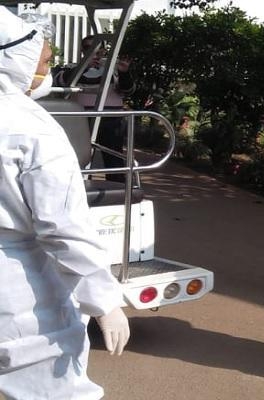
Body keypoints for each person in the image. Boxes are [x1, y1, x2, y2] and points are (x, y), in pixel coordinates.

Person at [0, 7, 129, 399]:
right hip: (20, 290)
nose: (45, 72)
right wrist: (105, 301)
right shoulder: (31, 128)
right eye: (41, 63)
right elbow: (62, 229)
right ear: (14, 59)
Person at [55, 34, 135, 182]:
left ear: (104, 51)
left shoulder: (114, 68)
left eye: (98, 49)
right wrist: (84, 66)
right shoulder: (72, 68)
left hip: (111, 119)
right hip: (82, 119)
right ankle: (80, 187)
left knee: (114, 158)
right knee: (81, 157)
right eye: (89, 48)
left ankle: (117, 188)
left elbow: (127, 90)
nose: (94, 52)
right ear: (82, 50)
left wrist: (124, 73)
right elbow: (61, 82)